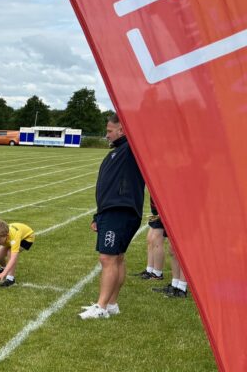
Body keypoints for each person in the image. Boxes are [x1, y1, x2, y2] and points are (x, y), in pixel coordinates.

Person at [79, 113, 145, 319]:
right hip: (111, 212)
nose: (106, 135)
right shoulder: (116, 152)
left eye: (109, 131)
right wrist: (98, 216)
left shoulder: (131, 149)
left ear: (123, 129)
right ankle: (111, 304)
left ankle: (101, 307)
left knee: (107, 258)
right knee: (117, 258)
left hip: (120, 211)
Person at [145, 202, 189, 298]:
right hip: (174, 209)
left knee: (181, 249)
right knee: (172, 249)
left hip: (184, 209)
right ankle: (175, 284)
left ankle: (182, 288)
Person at [0, 220, 35, 288]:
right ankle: (4, 267)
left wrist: (4, 274)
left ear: (6, 235)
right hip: (10, 239)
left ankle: (11, 278)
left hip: (27, 237)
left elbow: (13, 258)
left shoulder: (14, 236)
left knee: (10, 252)